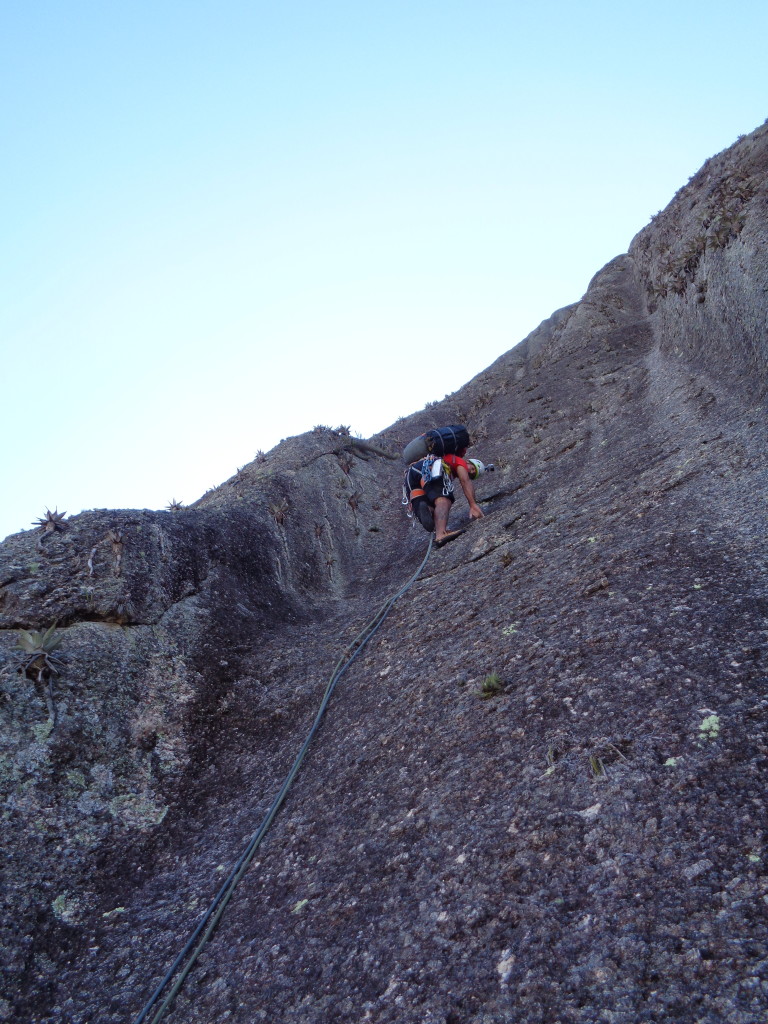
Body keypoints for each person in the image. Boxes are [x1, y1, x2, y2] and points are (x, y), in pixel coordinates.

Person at [403, 450, 486, 546]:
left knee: (429, 504)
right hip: (429, 467)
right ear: (468, 462)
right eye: (472, 468)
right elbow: (465, 481)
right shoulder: (460, 462)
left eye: (472, 474)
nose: (471, 472)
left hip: (411, 476)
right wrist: (473, 504)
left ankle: (428, 510)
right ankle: (441, 534)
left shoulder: (446, 462)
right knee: (444, 499)